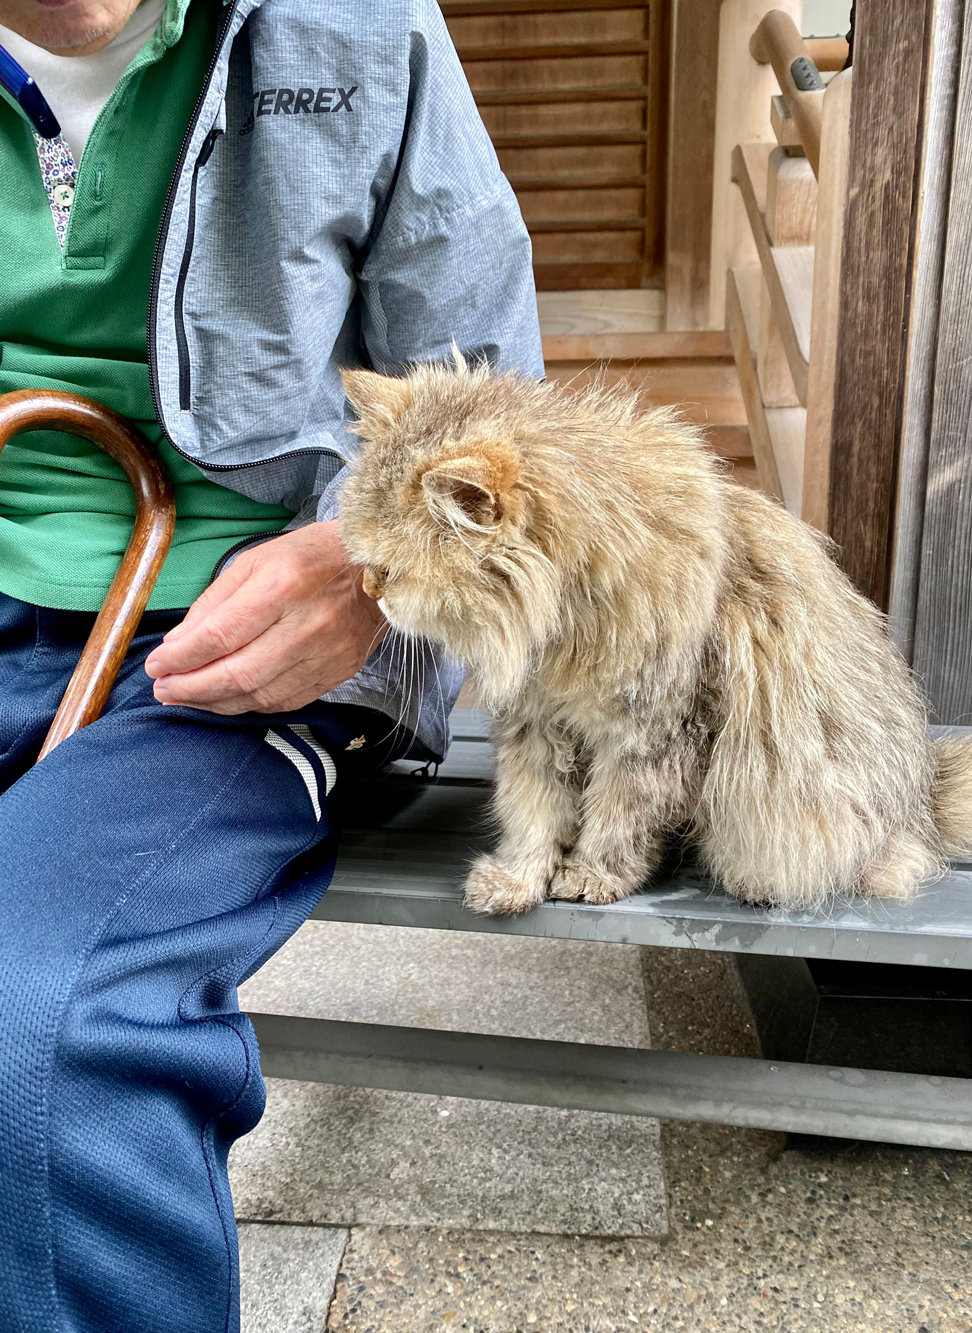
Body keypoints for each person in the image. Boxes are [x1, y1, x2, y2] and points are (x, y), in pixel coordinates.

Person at [0, 0, 542, 1328]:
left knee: (37, 1018)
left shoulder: (353, 27)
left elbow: (495, 409)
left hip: (237, 654)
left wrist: (361, 560)